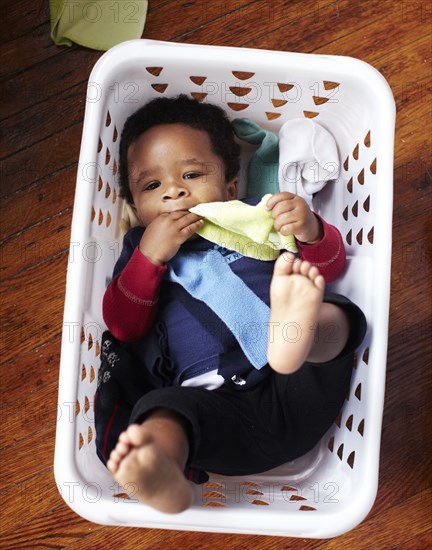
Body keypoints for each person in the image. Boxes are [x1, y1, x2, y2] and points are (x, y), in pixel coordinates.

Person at [95, 95, 366, 514]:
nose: (174, 190)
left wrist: (311, 230)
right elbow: (123, 326)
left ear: (230, 187)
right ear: (134, 208)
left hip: (298, 389)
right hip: (218, 412)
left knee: (339, 313)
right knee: (164, 409)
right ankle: (162, 462)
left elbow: (330, 266)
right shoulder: (139, 252)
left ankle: (300, 333)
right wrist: (150, 258)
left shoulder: (256, 216)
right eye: (152, 186)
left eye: (191, 173)